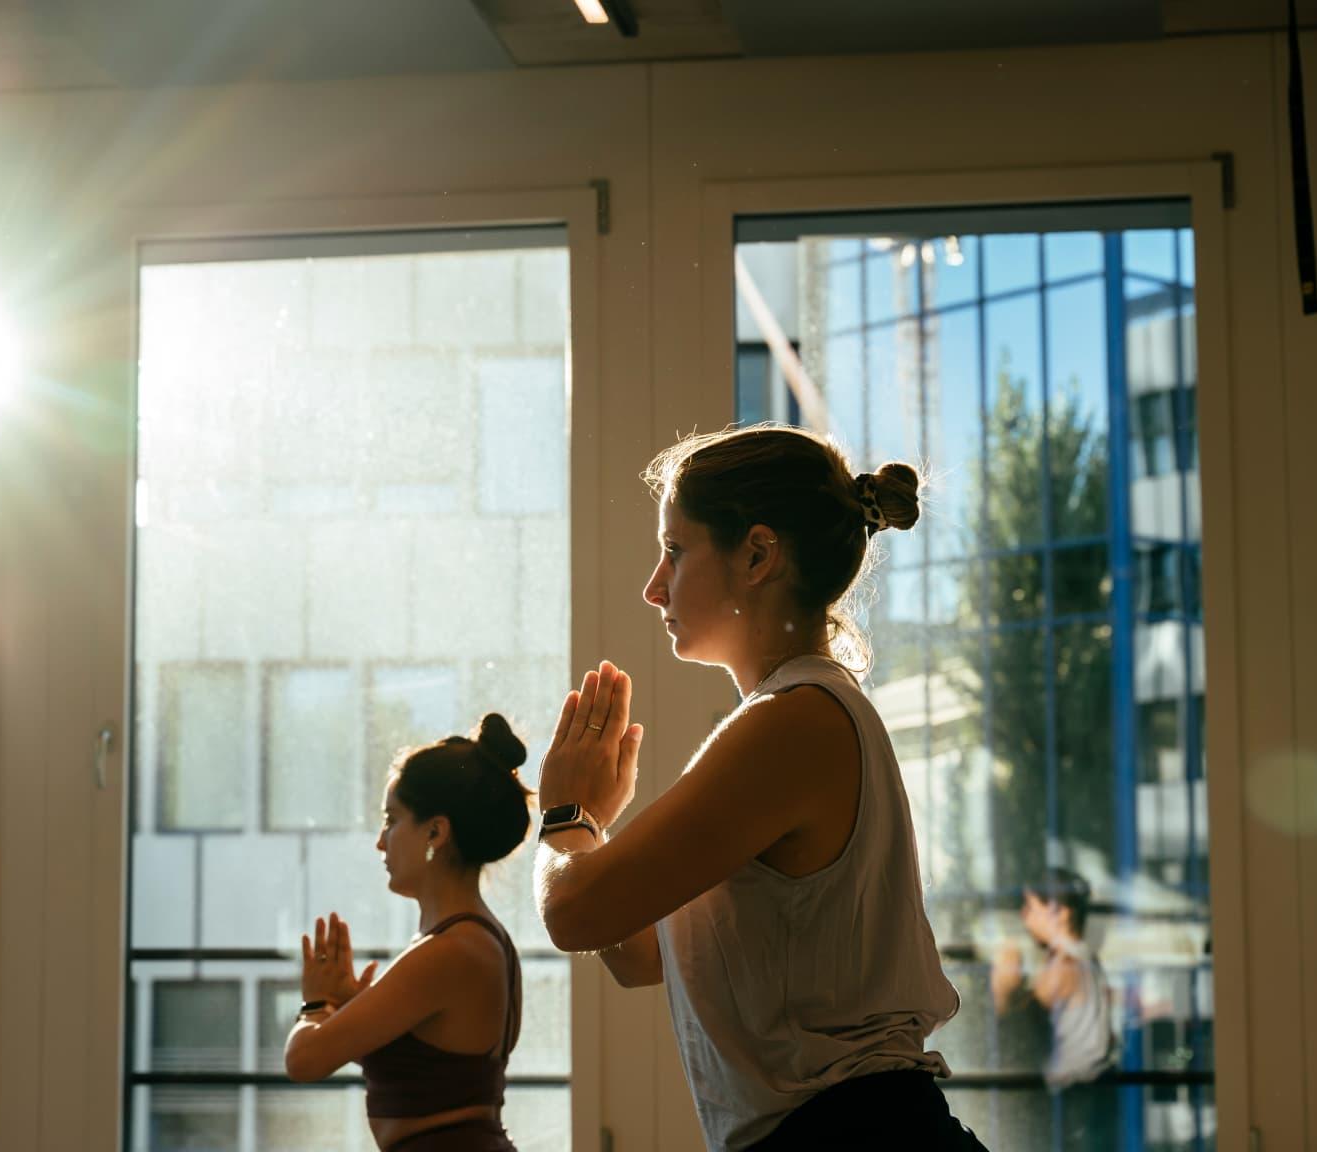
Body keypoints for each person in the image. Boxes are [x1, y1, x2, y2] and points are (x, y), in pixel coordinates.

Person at [533, 424, 988, 1151]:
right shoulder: (791, 717)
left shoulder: (793, 723)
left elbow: (574, 915)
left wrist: (567, 813)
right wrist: (596, 830)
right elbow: (642, 955)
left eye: (675, 552)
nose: (654, 588)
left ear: (756, 554)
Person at [284, 714, 531, 1152]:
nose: (381, 841)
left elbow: (304, 1059)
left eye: (391, 819)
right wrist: (350, 1005)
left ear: (435, 831)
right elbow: (426, 1071)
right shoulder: (471, 941)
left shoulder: (454, 950)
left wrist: (316, 1004)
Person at [992, 867, 1119, 1149]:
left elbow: (1014, 1029)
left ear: (1061, 913)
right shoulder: (1086, 959)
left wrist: (1002, 982)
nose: (1026, 916)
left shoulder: (1064, 967)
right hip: (1087, 1098)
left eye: (1032, 906)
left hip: (1070, 1104)